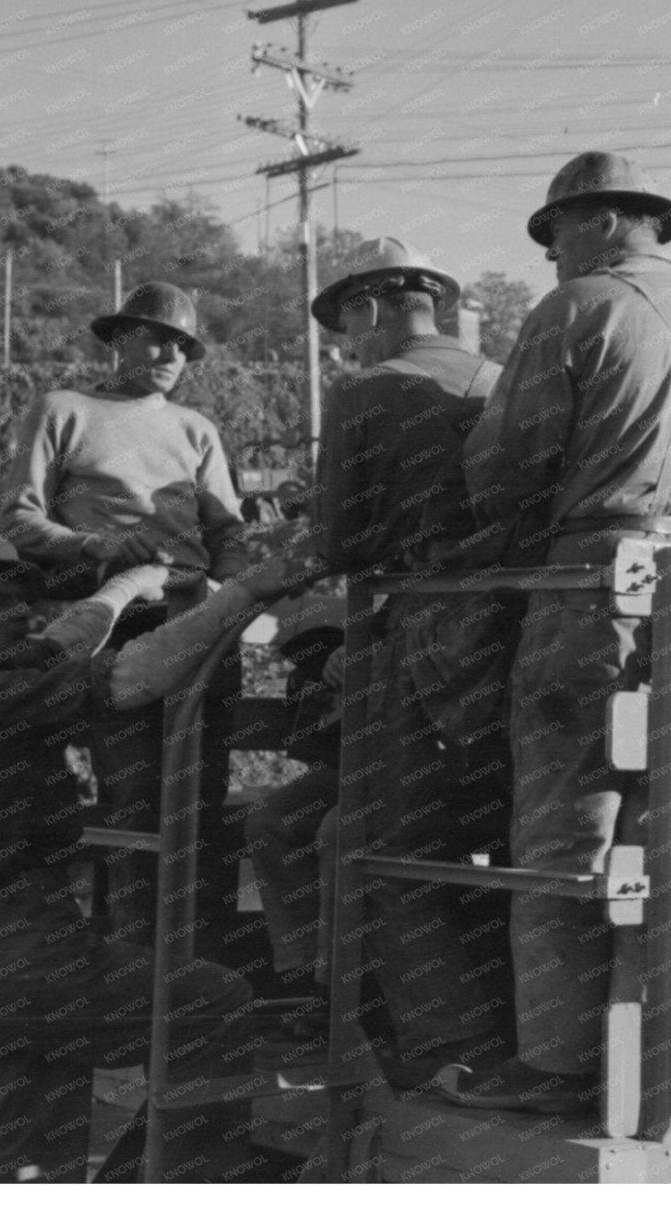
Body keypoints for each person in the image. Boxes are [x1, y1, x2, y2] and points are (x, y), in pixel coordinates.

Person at [446, 151, 671, 1114]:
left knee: (566, 827)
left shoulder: (575, 308)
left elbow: (508, 465)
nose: (552, 254)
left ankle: (561, 1066)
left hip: (597, 576)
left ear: (599, 222)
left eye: (554, 232)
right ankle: (657, 1054)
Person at [0, 526, 314, 1182]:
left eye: (18, 598)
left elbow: (65, 640)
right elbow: (136, 674)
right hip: (28, 951)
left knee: (22, 1168)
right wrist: (253, 587)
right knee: (210, 1005)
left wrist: (130, 583)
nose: (17, 612)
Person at [253, 236, 517, 1088]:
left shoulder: (367, 391)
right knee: (347, 827)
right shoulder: (498, 378)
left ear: (370, 308)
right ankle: (360, 1009)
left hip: (412, 645)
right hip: (509, 646)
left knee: (361, 835)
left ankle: (399, 1029)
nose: (349, 345)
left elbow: (336, 539)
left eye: (348, 326)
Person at [0, 282, 249, 946]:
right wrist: (96, 545)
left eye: (184, 345)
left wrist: (236, 598)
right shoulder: (63, 411)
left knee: (201, 802)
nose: (172, 352)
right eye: (158, 337)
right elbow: (17, 519)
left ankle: (203, 968)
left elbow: (229, 536)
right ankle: (137, 969)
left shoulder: (197, 430)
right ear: (118, 341)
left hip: (198, 625)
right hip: (120, 626)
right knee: (136, 800)